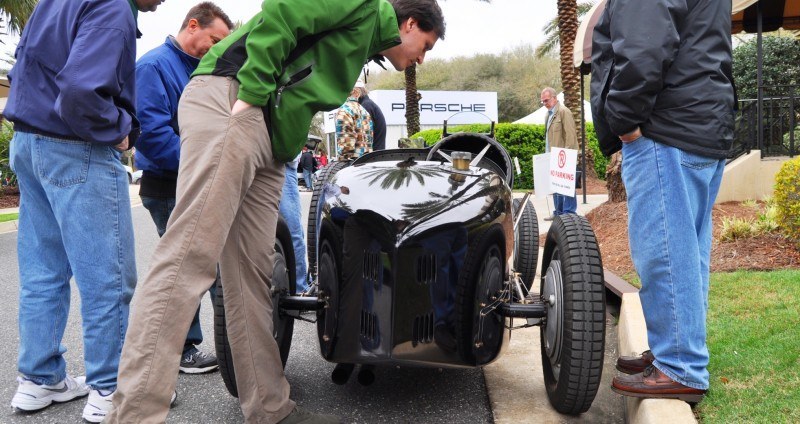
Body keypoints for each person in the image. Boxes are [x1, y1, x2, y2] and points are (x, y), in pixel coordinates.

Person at [107, 0, 445, 422]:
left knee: (253, 276)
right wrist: (250, 96)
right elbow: (284, 10)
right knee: (189, 255)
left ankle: (270, 408)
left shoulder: (365, 46)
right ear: (411, 23)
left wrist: (279, 147)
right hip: (235, 100)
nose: (421, 57)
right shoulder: (364, 5)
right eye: (426, 45)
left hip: (270, 138)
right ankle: (133, 414)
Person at [4, 0, 163, 421]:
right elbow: (79, 90)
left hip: (28, 141)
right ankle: (110, 391)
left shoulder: (54, 3)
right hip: (76, 146)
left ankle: (39, 380)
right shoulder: (113, 7)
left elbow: (24, 65)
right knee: (107, 278)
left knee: (43, 272)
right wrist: (122, 133)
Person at [591, 0, 734, 402]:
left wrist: (624, 122)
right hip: (701, 122)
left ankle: (681, 366)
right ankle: (677, 351)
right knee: (687, 252)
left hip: (664, 127)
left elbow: (643, 46)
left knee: (665, 252)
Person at [135, 1, 234, 376]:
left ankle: (215, 345)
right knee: (186, 269)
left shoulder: (202, 68)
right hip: (169, 184)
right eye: (215, 38)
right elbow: (152, 133)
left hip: (196, 180)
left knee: (207, 266)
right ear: (193, 25)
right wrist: (204, 164)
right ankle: (184, 349)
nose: (219, 47)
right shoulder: (152, 66)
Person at [540, 87, 578, 220]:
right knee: (556, 186)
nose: (544, 103)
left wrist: (568, 157)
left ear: (555, 98)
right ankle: (558, 213)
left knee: (567, 185)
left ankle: (569, 213)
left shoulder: (563, 112)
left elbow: (570, 135)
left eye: (546, 100)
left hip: (563, 157)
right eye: (543, 101)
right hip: (552, 156)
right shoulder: (547, 115)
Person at [336, 86, 374, 160]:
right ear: (358, 94)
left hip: (352, 163)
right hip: (366, 161)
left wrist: (343, 157)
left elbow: (347, 145)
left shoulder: (344, 111)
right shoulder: (364, 111)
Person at [357, 83, 387, 151]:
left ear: (356, 92)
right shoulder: (368, 104)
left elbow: (365, 134)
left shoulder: (366, 106)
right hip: (377, 152)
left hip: (373, 155)